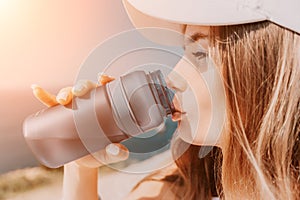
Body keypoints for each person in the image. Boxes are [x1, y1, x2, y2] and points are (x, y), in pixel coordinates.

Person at [32, 0, 299, 199]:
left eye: (199, 53)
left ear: (269, 68)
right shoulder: (182, 188)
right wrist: (81, 167)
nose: (172, 78)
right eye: (184, 51)